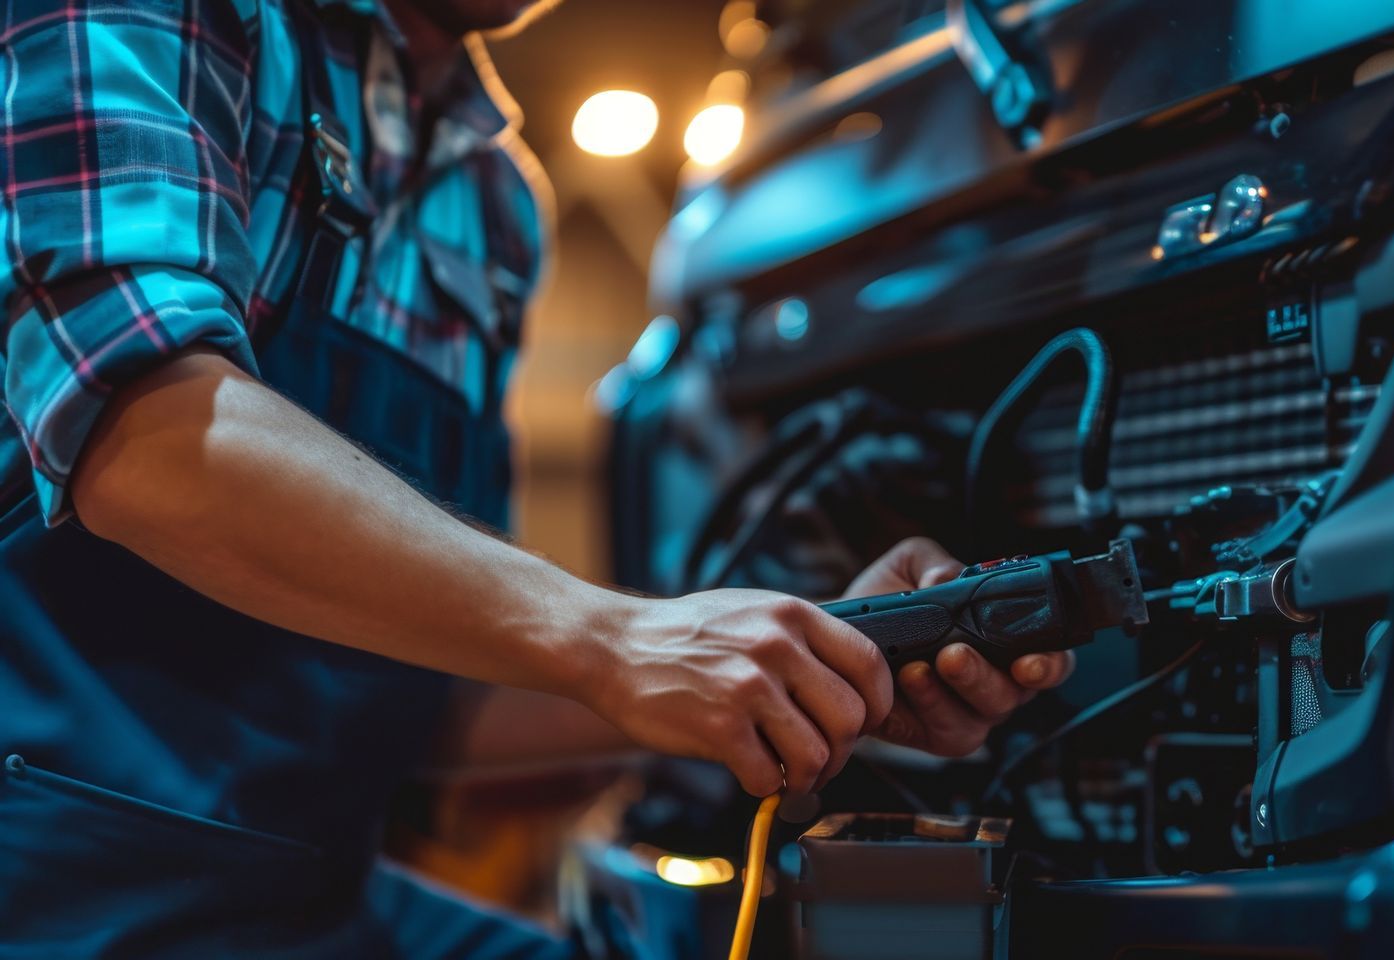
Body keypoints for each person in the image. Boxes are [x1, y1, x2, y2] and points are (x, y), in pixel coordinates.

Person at [0, 0, 1073, 954]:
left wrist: (796, 661)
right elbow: (150, 448)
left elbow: (432, 686)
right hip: (63, 874)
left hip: (304, 893)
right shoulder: (177, 18)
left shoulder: (495, 198)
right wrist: (612, 641)